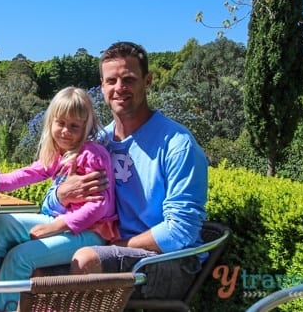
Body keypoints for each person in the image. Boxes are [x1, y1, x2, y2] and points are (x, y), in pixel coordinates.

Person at [0, 86, 119, 312]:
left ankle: (3, 309)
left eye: (74, 126)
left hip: (90, 233)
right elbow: (20, 176)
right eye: (60, 123)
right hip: (64, 225)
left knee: (19, 257)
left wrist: (55, 227)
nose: (65, 131)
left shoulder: (92, 154)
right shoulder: (59, 155)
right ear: (51, 122)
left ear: (85, 127)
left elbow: (100, 205)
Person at [63, 41, 208, 300]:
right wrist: (62, 194)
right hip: (112, 248)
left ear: (148, 81)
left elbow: (181, 229)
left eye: (128, 79)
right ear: (102, 85)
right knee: (36, 258)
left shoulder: (177, 144)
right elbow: (55, 196)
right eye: (112, 81)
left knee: (86, 261)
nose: (120, 88)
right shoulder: (99, 143)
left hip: (172, 260)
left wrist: (119, 245)